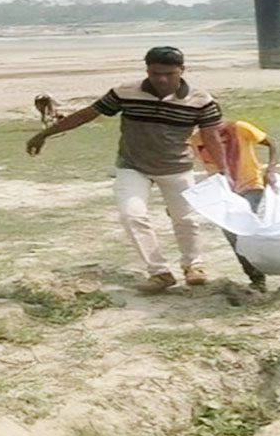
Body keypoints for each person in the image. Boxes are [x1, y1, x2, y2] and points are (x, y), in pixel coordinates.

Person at [26, 47, 230, 293]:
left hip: (176, 167)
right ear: (147, 70)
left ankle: (193, 266)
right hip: (133, 165)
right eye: (156, 73)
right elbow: (87, 115)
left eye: (169, 74)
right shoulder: (126, 92)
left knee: (185, 219)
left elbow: (211, 138)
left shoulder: (201, 100)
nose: (162, 79)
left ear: (182, 71)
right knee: (131, 215)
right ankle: (159, 272)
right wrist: (44, 134)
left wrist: (224, 171)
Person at [191, 120, 279, 293]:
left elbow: (273, 143)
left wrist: (271, 169)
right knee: (232, 233)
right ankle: (256, 277)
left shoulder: (239, 128)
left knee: (241, 228)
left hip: (251, 185)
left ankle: (261, 273)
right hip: (224, 192)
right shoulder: (196, 139)